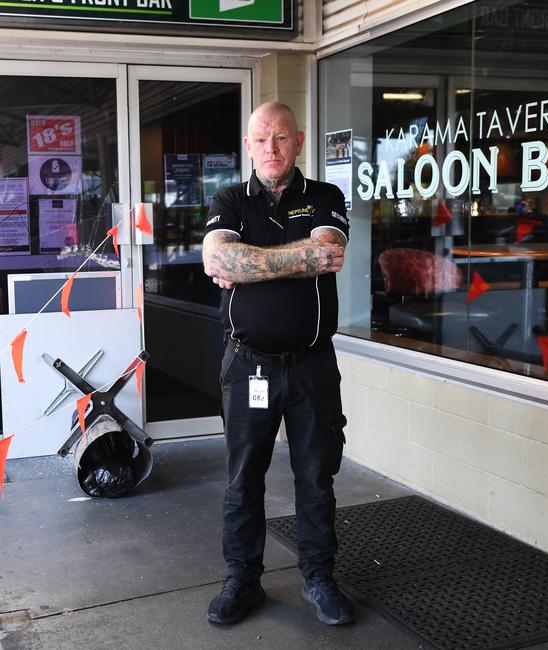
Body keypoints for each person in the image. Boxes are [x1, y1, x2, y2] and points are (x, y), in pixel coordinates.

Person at [202, 102, 354, 627]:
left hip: (312, 366)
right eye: (262, 139)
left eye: (282, 137)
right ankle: (242, 580)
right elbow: (218, 261)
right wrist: (294, 258)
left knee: (316, 477)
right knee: (243, 479)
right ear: (248, 146)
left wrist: (250, 265)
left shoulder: (326, 197)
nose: (272, 147)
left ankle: (319, 576)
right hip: (248, 368)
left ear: (300, 140)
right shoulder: (228, 199)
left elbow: (328, 255)